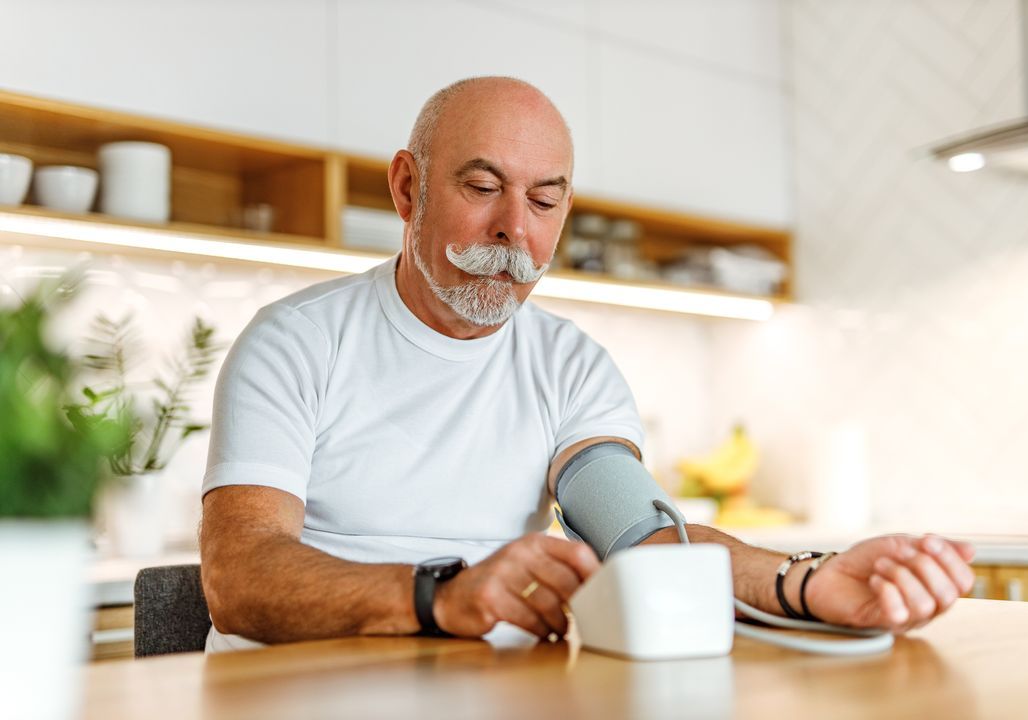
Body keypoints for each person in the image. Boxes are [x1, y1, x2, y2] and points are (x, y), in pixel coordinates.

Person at [199, 76, 975, 652]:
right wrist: (439, 597)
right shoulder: (297, 341)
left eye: (544, 202)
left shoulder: (570, 367)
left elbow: (643, 539)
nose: (513, 230)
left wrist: (805, 581)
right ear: (409, 188)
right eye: (481, 187)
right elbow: (240, 575)